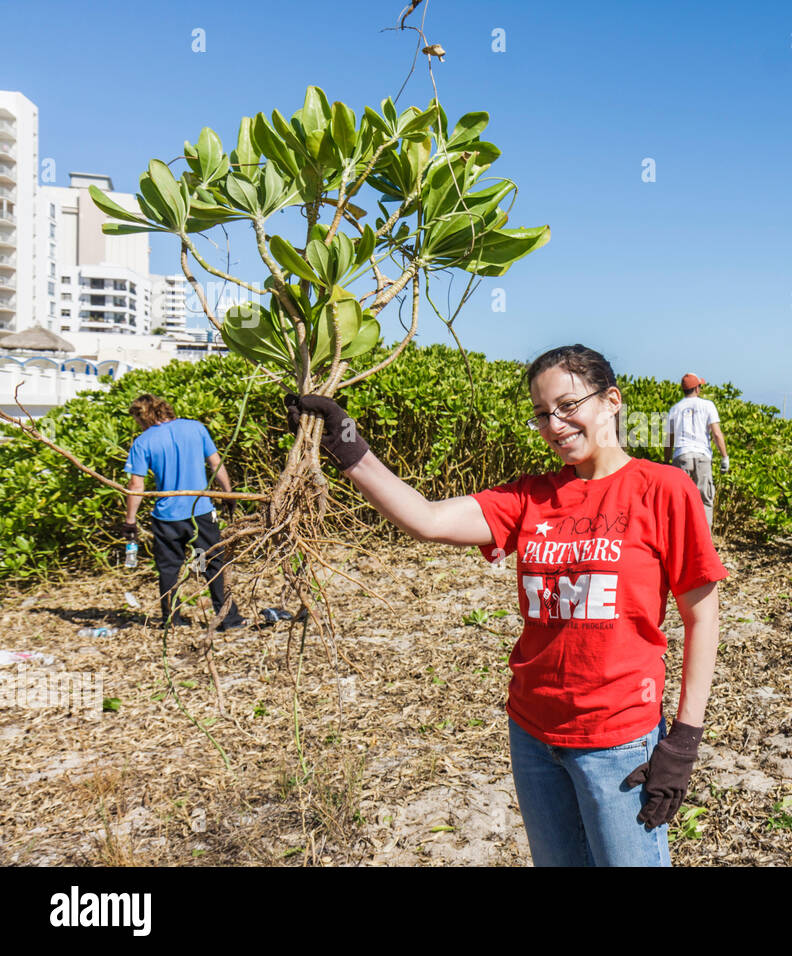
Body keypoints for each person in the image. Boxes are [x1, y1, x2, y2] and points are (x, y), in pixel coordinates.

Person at [287, 345, 728, 867]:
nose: (555, 424)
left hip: (617, 740)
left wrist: (683, 742)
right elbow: (426, 519)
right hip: (533, 733)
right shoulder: (531, 497)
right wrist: (347, 445)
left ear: (611, 400)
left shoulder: (663, 489)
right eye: (542, 414)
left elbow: (703, 616)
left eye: (567, 405)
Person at [123, 394, 245, 630]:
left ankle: (173, 620)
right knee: (212, 562)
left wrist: (130, 522)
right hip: (200, 512)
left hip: (167, 517)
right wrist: (228, 494)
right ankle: (226, 618)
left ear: (142, 417)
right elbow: (215, 463)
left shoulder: (143, 442)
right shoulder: (196, 428)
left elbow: (136, 486)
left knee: (169, 569)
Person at [665, 373, 729, 528]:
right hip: (702, 455)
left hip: (681, 455)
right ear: (697, 388)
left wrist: (666, 462)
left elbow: (669, 441)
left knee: (680, 502)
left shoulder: (674, 409)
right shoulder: (708, 406)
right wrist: (724, 457)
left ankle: (681, 541)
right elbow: (716, 433)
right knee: (705, 500)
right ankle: (704, 542)